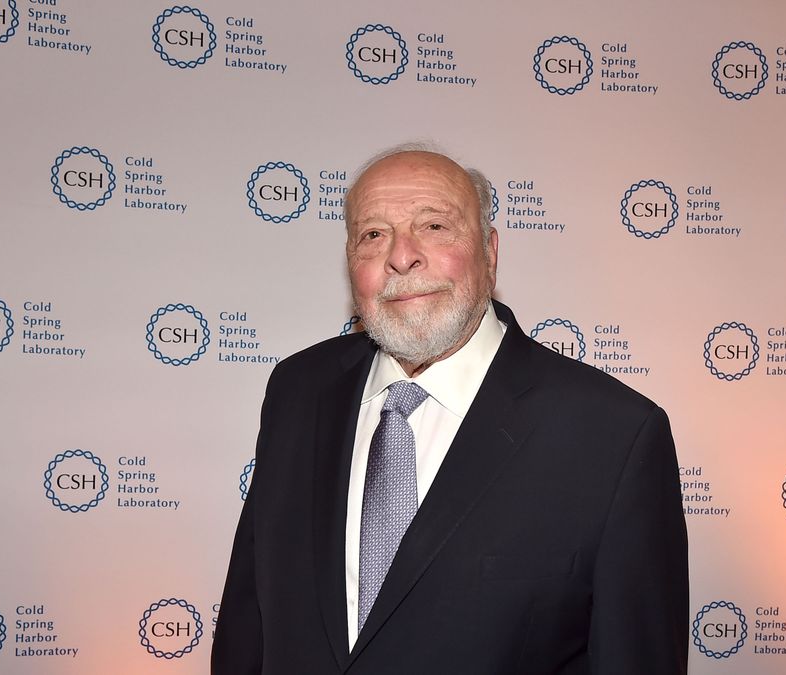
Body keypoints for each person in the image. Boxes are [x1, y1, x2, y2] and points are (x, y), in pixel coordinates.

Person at [212, 145, 688, 674]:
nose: (402, 256)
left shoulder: (612, 435)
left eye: (434, 226)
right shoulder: (298, 390)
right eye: (373, 234)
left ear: (489, 252)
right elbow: (247, 627)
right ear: (350, 260)